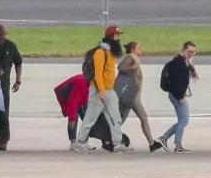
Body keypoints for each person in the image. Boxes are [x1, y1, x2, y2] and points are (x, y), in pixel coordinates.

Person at [72, 25, 128, 153]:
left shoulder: (111, 52)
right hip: (99, 91)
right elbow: (98, 74)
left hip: (109, 90)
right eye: (116, 35)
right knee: (91, 117)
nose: (118, 38)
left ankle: (117, 144)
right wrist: (102, 91)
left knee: (115, 118)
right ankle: (80, 142)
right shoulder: (100, 52)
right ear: (111, 37)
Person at [117, 42, 164, 152]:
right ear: (133, 49)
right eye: (139, 47)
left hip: (130, 94)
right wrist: (134, 67)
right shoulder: (131, 57)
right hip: (131, 95)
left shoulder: (132, 57)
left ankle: (111, 138)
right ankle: (151, 143)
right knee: (143, 117)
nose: (141, 49)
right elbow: (120, 68)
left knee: (119, 120)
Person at [157, 41, 198, 153]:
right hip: (177, 95)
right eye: (189, 51)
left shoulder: (184, 62)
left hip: (177, 94)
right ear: (184, 50)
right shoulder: (178, 63)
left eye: (193, 52)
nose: (191, 54)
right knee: (184, 120)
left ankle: (164, 138)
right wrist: (180, 96)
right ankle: (177, 145)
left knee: (182, 120)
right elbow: (176, 82)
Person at [55, 73, 91, 147]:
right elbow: (73, 102)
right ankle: (73, 143)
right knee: (74, 117)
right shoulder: (81, 83)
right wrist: (72, 119)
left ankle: (84, 141)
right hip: (66, 95)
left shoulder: (91, 83)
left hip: (78, 96)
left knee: (87, 116)